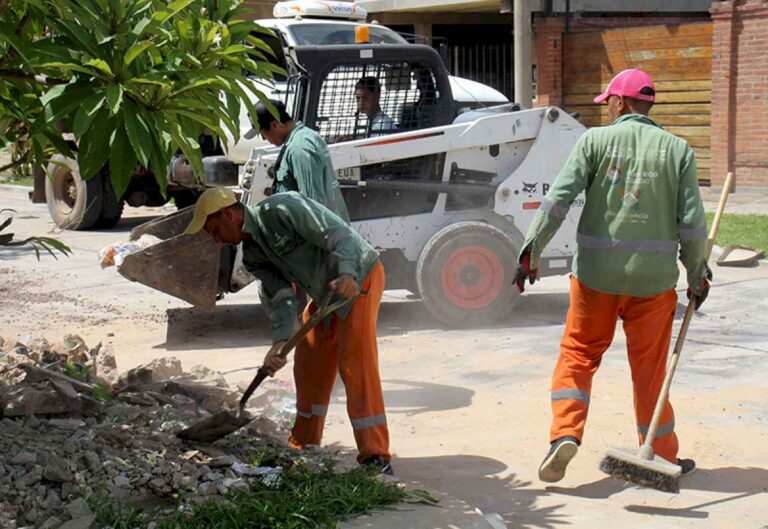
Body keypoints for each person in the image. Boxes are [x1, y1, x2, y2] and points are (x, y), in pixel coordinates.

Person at [514, 68, 710, 483]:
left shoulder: (594, 141)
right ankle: (661, 454)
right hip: (653, 284)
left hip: (595, 280)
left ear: (620, 104)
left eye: (609, 104)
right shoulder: (678, 150)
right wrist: (697, 274)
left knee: (578, 354)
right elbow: (692, 224)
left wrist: (532, 251)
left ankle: (564, 435)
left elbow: (557, 200)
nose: (607, 111)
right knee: (651, 368)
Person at [184, 188, 392, 475]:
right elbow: (282, 298)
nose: (216, 240)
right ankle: (304, 444)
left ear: (228, 215)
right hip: (326, 294)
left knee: (356, 364)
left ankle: (375, 457)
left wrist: (348, 272)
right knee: (309, 361)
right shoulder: (253, 256)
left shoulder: (284, 209)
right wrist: (279, 343)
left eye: (214, 230)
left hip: (358, 278)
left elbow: (338, 235)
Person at [251, 99, 349, 221]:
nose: (264, 139)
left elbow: (314, 208)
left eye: (262, 134)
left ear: (274, 125)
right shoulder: (304, 138)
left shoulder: (300, 148)